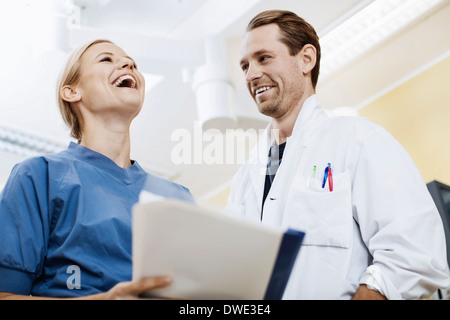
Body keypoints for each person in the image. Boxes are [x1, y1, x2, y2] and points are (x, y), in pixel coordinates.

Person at [226, 10, 450, 300]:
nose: (252, 74)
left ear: (306, 59)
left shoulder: (358, 139)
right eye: (245, 66)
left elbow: (415, 253)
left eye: (263, 58)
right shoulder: (244, 180)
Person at [0, 39, 194, 299]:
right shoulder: (39, 176)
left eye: (132, 63)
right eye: (106, 59)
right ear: (71, 92)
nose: (129, 64)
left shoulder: (178, 197)